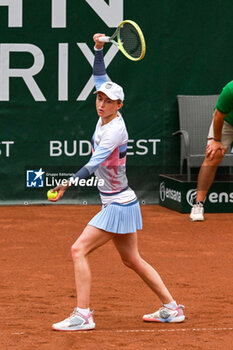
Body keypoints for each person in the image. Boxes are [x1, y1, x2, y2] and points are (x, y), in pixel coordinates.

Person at [50, 33, 185, 331]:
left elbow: (94, 163)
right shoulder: (105, 109)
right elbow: (99, 75)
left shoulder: (114, 133)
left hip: (118, 204)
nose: (101, 103)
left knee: (78, 250)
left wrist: (67, 183)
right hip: (123, 199)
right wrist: (98, 49)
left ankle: (83, 314)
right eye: (99, 98)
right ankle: (171, 307)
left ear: (119, 105)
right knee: (132, 260)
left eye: (108, 101)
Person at [190, 80, 233, 221]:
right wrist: (217, 141)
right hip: (226, 122)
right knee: (213, 155)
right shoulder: (230, 89)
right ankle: (198, 204)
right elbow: (218, 115)